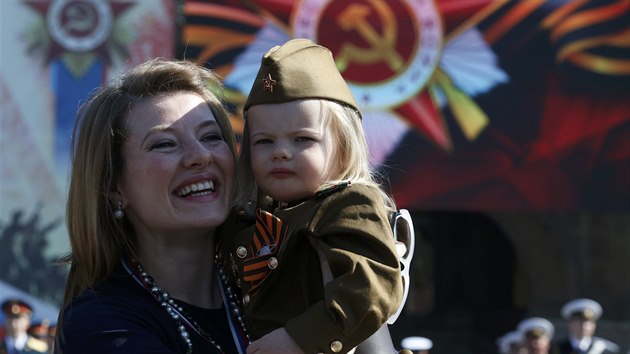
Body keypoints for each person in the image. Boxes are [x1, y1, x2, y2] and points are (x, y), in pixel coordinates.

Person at [217, 38, 404, 354]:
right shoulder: (248, 216)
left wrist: (300, 338)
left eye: (302, 139)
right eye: (264, 142)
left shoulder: (349, 204)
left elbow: (371, 289)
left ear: (343, 148)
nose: (280, 153)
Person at [54, 58, 248, 354]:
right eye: (165, 144)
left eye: (211, 137)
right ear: (112, 186)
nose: (200, 156)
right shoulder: (99, 325)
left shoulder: (269, 289)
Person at [555, 298, 619, 354]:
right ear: (570, 324)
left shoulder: (605, 350)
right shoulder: (556, 349)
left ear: (594, 325)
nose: (583, 326)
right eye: (579, 322)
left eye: (588, 322)